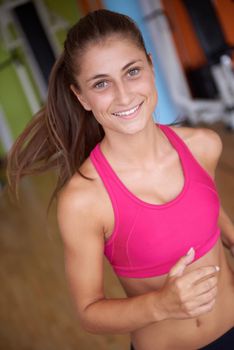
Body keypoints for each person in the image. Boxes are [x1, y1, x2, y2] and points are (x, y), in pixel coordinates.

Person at [6, 9, 234, 350]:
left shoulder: (203, 145)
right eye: (101, 83)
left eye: (132, 72)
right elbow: (88, 311)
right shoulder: (85, 200)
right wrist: (161, 304)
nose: (124, 95)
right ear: (81, 96)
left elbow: (206, 208)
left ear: (151, 67)